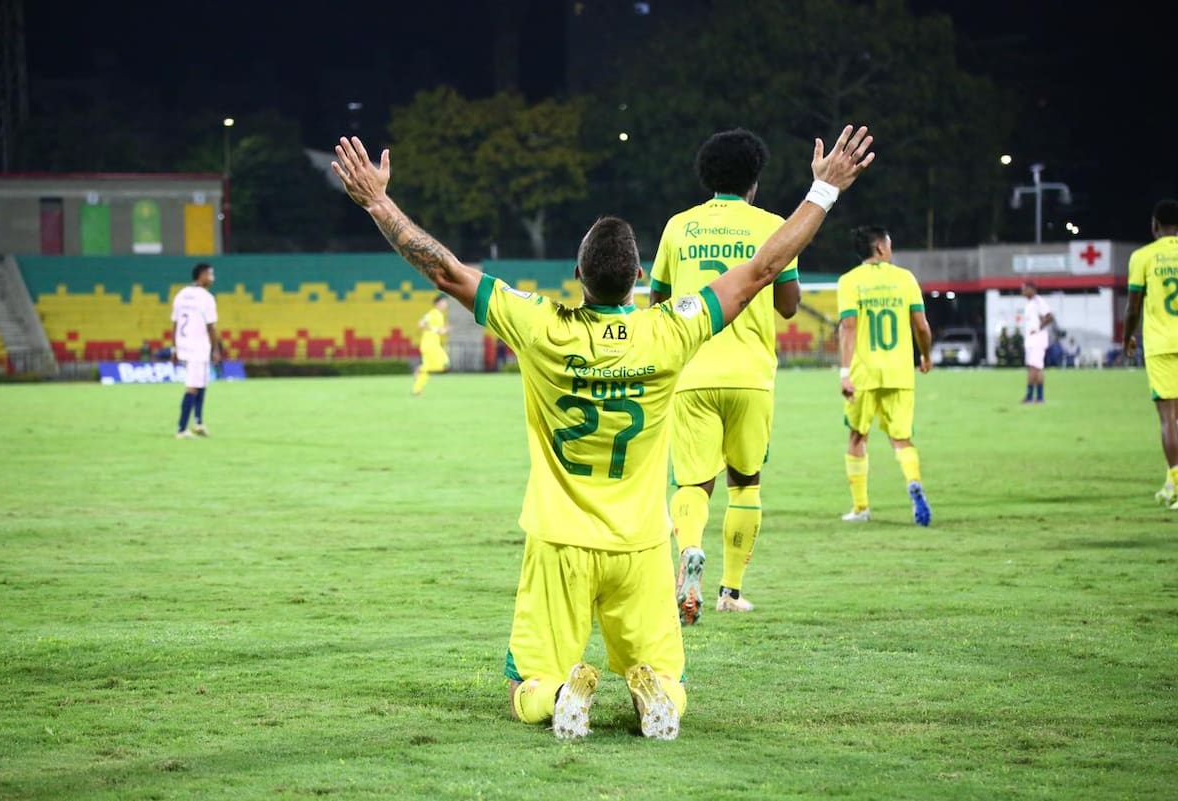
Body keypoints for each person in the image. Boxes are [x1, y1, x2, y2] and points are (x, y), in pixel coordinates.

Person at [331, 125, 874, 739]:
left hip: (559, 544)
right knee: (669, 675)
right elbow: (761, 270)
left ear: (577, 274)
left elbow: (447, 272)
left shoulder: (539, 325)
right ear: (639, 274)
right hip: (641, 547)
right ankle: (653, 696)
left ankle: (560, 692)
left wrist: (378, 202)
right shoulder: (669, 330)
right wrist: (823, 190)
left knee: (525, 684)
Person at [648, 128, 800, 625]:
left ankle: (689, 553)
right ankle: (730, 591)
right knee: (746, 482)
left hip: (691, 372)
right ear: (754, 178)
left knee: (692, 482)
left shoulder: (678, 227)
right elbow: (788, 305)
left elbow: (657, 304)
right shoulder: (774, 227)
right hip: (752, 375)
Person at [837, 226, 933, 525]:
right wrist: (926, 355)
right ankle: (913, 484)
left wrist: (844, 371)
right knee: (901, 438)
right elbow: (921, 326)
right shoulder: (905, 279)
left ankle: (861, 507)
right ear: (880, 248)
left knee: (857, 436)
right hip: (899, 372)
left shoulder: (850, 282)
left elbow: (849, 328)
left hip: (864, 373)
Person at [1123, 198, 1178, 510]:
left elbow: (1133, 306)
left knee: (1168, 419)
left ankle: (1177, 485)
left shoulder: (1143, 257)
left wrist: (1127, 337)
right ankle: (1170, 484)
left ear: (1155, 225)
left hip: (1161, 344)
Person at [171, 262, 222, 439]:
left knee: (202, 382)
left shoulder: (181, 294)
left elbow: (175, 323)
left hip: (184, 344)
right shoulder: (206, 298)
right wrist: (216, 349)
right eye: (210, 274)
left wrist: (174, 347)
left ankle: (198, 422)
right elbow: (211, 327)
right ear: (201, 275)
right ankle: (181, 428)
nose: (212, 278)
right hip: (198, 346)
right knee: (193, 386)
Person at [1020, 280, 1054, 403]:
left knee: (1036, 367)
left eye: (1024, 289)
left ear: (1031, 289)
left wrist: (1038, 328)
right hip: (1030, 340)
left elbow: (1049, 316)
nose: (1022, 291)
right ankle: (1033, 396)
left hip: (1037, 339)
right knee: (1031, 367)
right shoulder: (1029, 304)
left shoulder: (1038, 302)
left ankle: (1036, 397)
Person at [413, 293, 451, 396]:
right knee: (445, 362)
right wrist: (436, 329)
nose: (446, 304)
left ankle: (417, 390)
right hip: (430, 344)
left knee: (427, 367)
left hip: (431, 344)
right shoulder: (433, 313)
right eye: (444, 302)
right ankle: (419, 369)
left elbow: (438, 331)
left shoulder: (439, 315)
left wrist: (444, 330)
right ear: (438, 303)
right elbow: (421, 323)